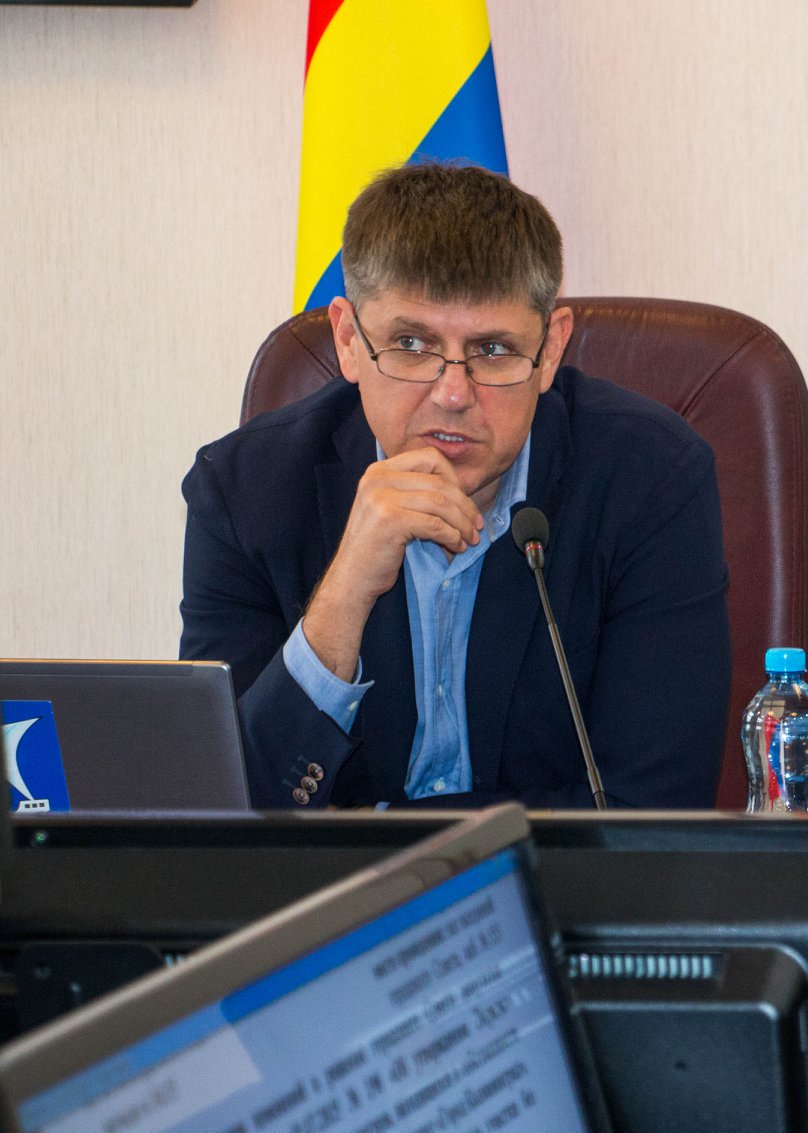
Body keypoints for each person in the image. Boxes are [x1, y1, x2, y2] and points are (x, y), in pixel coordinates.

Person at [180, 162, 730, 810]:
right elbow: (221, 814)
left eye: (492, 350)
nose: (451, 393)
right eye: (411, 343)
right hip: (362, 892)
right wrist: (343, 595)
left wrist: (373, 831)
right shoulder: (244, 493)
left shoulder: (651, 481)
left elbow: (653, 810)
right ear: (349, 340)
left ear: (550, 350)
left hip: (544, 884)